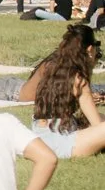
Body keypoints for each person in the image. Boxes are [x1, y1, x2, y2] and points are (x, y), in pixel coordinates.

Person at [26, 26, 105, 161]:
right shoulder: (79, 80)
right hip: (61, 143)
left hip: (39, 136)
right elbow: (96, 124)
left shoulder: (52, 70)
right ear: (90, 50)